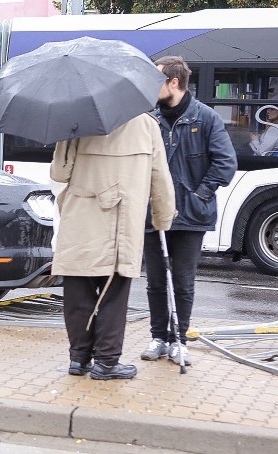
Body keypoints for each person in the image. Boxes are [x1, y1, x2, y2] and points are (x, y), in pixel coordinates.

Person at [50, 113, 176, 381]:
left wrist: (65, 137)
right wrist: (162, 218)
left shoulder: (76, 120)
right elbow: (160, 178)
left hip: (80, 219)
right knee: (113, 295)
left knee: (78, 292)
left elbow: (59, 174)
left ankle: (79, 357)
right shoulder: (146, 125)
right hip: (121, 222)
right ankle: (106, 362)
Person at [142, 55, 237, 366]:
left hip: (190, 216)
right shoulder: (150, 119)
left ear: (174, 82)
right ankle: (158, 337)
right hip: (154, 214)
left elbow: (225, 164)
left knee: (182, 281)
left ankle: (179, 339)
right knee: (156, 281)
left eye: (157, 80)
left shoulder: (205, 118)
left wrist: (198, 194)